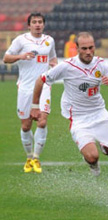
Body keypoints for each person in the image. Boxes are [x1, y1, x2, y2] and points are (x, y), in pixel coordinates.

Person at [30, 32, 108, 203]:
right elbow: (41, 80)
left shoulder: (101, 64)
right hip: (79, 118)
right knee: (92, 156)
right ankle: (91, 163)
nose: (88, 51)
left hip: (100, 115)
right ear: (77, 49)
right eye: (84, 48)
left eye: (91, 48)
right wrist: (35, 106)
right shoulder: (67, 66)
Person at [3, 12, 57, 173]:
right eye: (34, 22)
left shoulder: (49, 41)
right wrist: (21, 56)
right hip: (25, 88)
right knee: (26, 126)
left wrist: (53, 70)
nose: (38, 24)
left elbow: (53, 60)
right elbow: (6, 58)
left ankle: (36, 158)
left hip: (44, 86)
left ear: (44, 24)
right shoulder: (21, 40)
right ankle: (28, 158)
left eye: (40, 22)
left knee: (42, 121)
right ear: (29, 25)